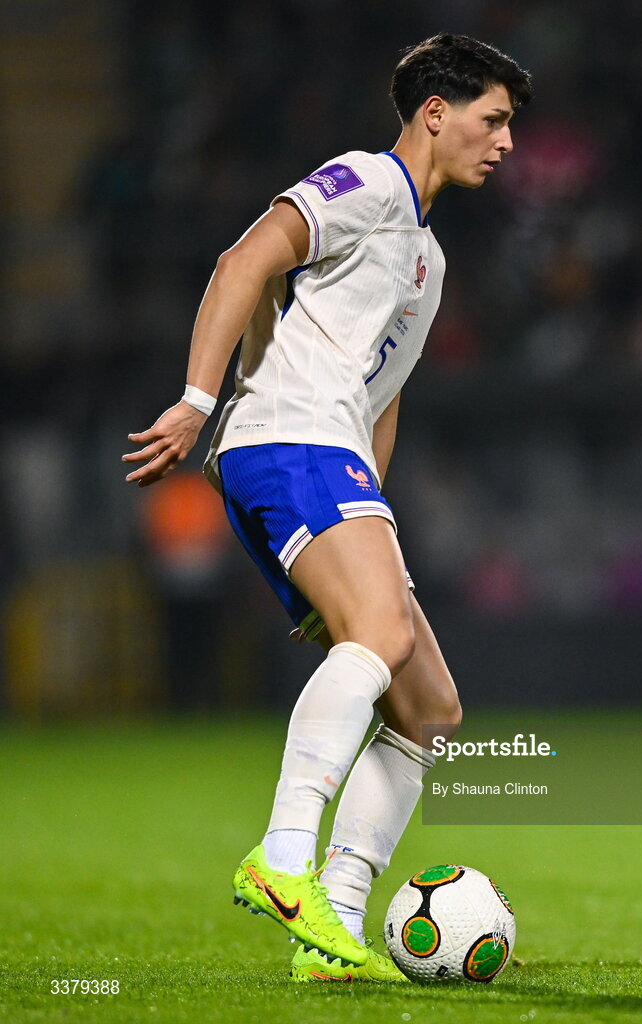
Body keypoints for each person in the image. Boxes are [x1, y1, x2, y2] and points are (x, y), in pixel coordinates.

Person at [123, 33, 532, 983]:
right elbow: (242, 262)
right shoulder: (366, 182)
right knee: (382, 631)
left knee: (429, 709)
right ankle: (283, 855)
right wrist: (193, 402)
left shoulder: (425, 259)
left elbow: (380, 401)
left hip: (332, 458)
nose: (506, 142)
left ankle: (333, 930)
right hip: (287, 438)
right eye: (494, 118)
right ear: (436, 111)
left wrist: (367, 529)